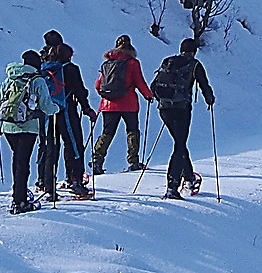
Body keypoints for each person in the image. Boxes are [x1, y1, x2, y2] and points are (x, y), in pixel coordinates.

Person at [149, 40, 216, 200]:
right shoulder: (194, 65)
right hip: (182, 109)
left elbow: (153, 86)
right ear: (195, 51)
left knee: (180, 143)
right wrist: (210, 99)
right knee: (179, 145)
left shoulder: (168, 62)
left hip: (164, 109)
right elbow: (204, 85)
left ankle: (189, 176)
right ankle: (172, 186)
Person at [0, 49, 58, 214]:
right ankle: (20, 200)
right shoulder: (37, 80)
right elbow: (46, 106)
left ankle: (18, 193)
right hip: (28, 126)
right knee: (23, 162)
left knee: (17, 160)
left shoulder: (10, 78)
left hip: (8, 126)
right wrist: (56, 109)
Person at [36, 32, 93, 200]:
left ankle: (45, 182)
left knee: (49, 147)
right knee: (73, 145)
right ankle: (75, 181)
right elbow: (80, 91)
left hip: (47, 113)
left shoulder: (43, 67)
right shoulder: (70, 68)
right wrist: (87, 109)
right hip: (66, 111)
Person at [89, 36, 152, 176]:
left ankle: (97, 160)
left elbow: (98, 85)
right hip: (128, 103)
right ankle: (133, 161)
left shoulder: (107, 63)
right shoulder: (132, 63)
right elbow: (139, 82)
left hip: (108, 104)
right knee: (132, 131)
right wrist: (149, 95)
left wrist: (107, 96)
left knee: (107, 132)